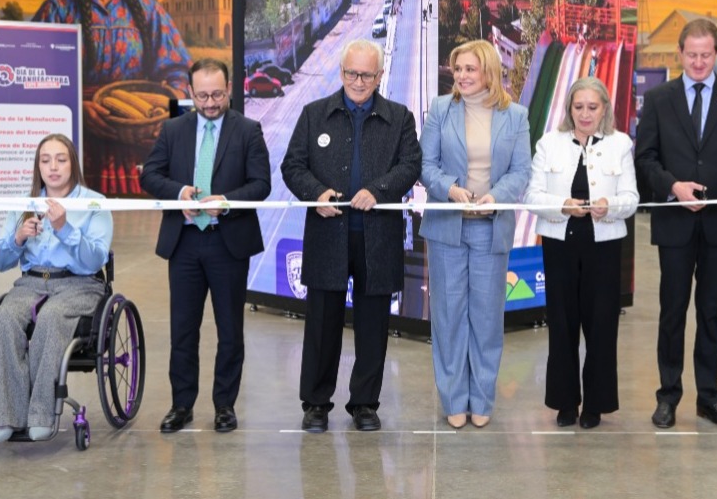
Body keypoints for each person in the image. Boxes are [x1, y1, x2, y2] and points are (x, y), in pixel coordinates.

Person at [281, 39, 421, 433]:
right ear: (341, 73)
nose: (358, 82)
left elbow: (411, 165)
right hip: (328, 233)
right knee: (322, 322)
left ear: (380, 76)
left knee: (373, 324)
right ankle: (316, 404)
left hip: (378, 238)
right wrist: (315, 193)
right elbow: (293, 165)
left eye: (366, 75)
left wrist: (379, 190)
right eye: (351, 73)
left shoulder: (400, 117)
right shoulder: (313, 115)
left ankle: (364, 404)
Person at [634, 18, 717, 430]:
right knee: (672, 312)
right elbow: (645, 158)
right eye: (692, 55)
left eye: (706, 55)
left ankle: (709, 398)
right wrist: (673, 186)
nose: (700, 61)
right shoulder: (658, 99)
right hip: (675, 223)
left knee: (711, 313)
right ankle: (668, 395)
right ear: (680, 54)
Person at [140, 58, 271, 434]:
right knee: (183, 329)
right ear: (190, 92)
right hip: (183, 244)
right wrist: (179, 192)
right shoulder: (172, 129)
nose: (210, 103)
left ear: (229, 89)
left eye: (217, 94)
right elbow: (151, 175)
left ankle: (224, 406)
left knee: (230, 330)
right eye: (202, 95)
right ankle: (182, 405)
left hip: (227, 243)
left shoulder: (248, 130)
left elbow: (261, 184)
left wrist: (226, 200)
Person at [33, 0, 191, 194]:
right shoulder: (57, 12)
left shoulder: (149, 12)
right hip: (73, 152)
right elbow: (32, 84)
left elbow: (179, 74)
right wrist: (75, 109)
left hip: (138, 152)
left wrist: (167, 116)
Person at [419, 39, 531, 429]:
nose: (462, 76)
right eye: (458, 68)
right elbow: (425, 165)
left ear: (488, 71)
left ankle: (481, 398)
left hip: (490, 229)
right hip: (447, 227)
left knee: (486, 320)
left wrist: (495, 197)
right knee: (448, 318)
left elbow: (521, 172)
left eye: (470, 68)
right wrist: (450, 188)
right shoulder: (439, 110)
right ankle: (453, 398)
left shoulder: (515, 116)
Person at [524, 77, 639, 429]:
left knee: (601, 326)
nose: (585, 114)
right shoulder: (549, 144)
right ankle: (565, 402)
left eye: (593, 107)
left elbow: (631, 199)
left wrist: (610, 206)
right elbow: (531, 197)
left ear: (604, 108)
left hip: (604, 247)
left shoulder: (620, 144)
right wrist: (563, 205)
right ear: (569, 108)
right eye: (579, 107)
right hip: (559, 246)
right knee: (561, 325)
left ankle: (596, 404)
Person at [0, 133, 113, 444]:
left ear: (72, 163)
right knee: (3, 319)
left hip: (80, 284)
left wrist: (64, 228)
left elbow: (94, 260)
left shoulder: (94, 203)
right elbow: (0, 263)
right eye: (45, 160)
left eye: (61, 159)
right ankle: (5, 416)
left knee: (52, 318)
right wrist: (17, 238)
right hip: (30, 283)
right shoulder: (25, 204)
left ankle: (41, 414)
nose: (53, 167)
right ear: (37, 166)